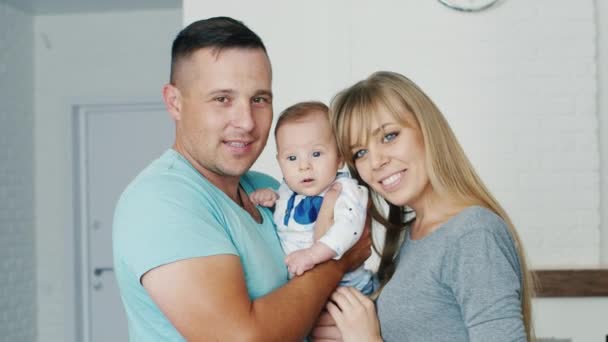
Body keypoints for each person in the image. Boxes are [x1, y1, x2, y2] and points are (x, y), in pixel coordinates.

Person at [112, 17, 371, 341]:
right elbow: (241, 338)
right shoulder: (159, 202)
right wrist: (337, 261)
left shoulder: (269, 188)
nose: (247, 121)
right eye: (223, 99)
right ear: (174, 102)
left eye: (259, 99)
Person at [312, 71, 535, 341]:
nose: (376, 161)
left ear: (427, 130)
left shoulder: (473, 234)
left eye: (389, 136)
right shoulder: (412, 235)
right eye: (360, 152)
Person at [249, 101, 375, 294]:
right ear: (279, 162)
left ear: (339, 157)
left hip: (349, 290)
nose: (304, 166)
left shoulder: (345, 190)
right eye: (292, 158)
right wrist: (270, 198)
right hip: (306, 292)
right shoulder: (286, 190)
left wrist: (312, 255)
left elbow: (348, 229)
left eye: (316, 153)